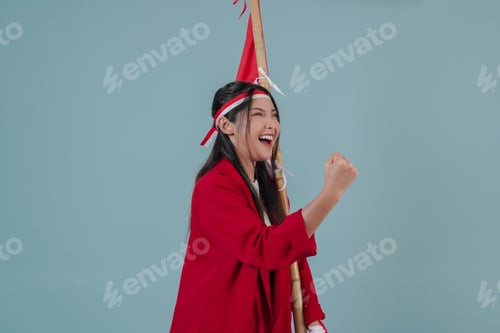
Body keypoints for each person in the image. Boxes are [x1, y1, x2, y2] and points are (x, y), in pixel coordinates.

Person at [170, 81, 358, 332]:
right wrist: (331, 194)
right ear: (227, 126)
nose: (271, 124)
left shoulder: (271, 187)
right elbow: (265, 247)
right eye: (258, 114)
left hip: (265, 321)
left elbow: (291, 253)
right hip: (221, 322)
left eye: (274, 115)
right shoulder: (213, 188)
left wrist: (312, 317)